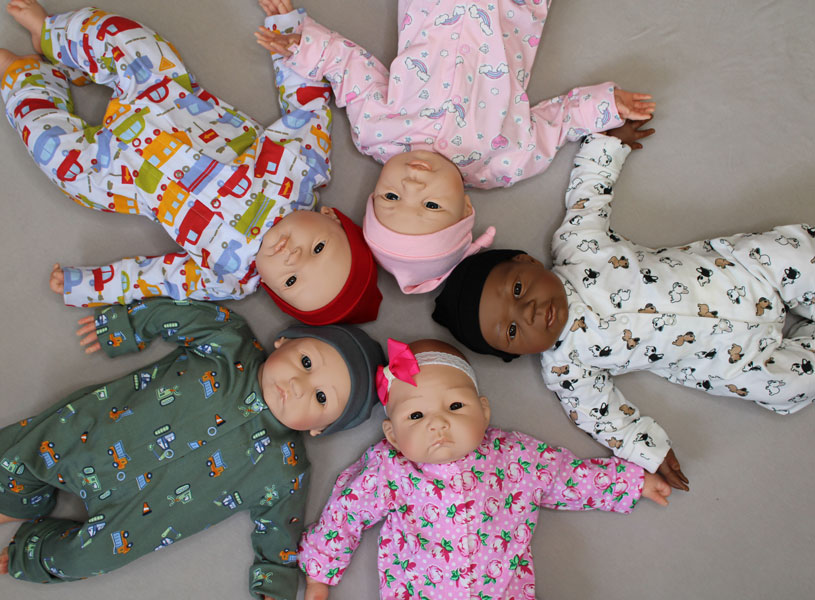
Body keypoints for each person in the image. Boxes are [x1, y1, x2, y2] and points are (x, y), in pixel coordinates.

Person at [432, 120, 815, 491]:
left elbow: (588, 196)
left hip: (742, 274)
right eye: (513, 330)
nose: (528, 312)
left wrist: (608, 144)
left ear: (527, 261)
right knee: (786, 385)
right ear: (515, 353)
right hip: (728, 358)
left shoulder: (578, 249)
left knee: (792, 256)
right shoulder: (567, 366)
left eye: (518, 290)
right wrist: (649, 451)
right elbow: (603, 416)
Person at [0, 0, 381, 326]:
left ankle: (25, 79)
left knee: (58, 158)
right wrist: (289, 32)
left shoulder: (229, 277)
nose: (293, 257)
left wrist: (90, 286)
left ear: (270, 288)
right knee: (129, 40)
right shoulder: (304, 170)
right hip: (165, 99)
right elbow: (307, 104)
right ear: (330, 217)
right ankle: (52, 35)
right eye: (318, 249)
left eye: (291, 281)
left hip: (120, 174)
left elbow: (158, 278)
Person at [254, 0, 656, 294]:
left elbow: (349, 68)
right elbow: (560, 121)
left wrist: (301, 44)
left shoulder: (376, 131)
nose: (411, 185)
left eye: (391, 197)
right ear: (465, 209)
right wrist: (606, 106)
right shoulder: (504, 162)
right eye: (431, 205)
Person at [0, 296, 385, 600]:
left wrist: (275, 581)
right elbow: (174, 316)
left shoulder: (287, 470)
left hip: (136, 518)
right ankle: (17, 501)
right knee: (21, 455)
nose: (299, 385)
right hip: (96, 439)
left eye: (320, 397)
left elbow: (281, 529)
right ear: (284, 340)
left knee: (85, 557)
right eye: (305, 362)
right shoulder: (230, 342)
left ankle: (32, 550)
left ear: (319, 430)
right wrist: (127, 325)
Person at [298, 338, 671, 600]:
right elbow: (346, 511)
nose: (438, 423)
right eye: (416, 415)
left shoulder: (514, 456)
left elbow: (567, 477)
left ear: (484, 411)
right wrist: (319, 574)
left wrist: (630, 482)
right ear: (393, 435)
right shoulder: (390, 469)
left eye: (455, 406)